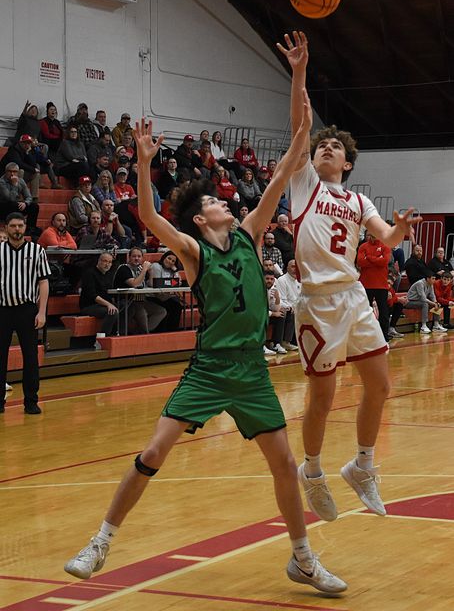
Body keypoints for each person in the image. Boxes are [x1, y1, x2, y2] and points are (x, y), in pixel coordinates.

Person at [64, 112, 347, 596]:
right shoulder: (196, 252)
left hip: (252, 371)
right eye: (216, 200)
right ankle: (100, 542)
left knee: (283, 465)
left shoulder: (251, 232)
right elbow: (150, 218)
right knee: (153, 451)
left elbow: (282, 173)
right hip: (210, 370)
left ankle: (303, 558)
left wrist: (300, 80)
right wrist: (144, 166)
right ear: (201, 218)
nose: (225, 201)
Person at [278, 29, 420, 523]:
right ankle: (312, 471)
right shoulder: (304, 185)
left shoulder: (358, 201)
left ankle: (362, 465)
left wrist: (399, 227)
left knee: (379, 386)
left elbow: (390, 236)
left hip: (355, 298)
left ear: (349, 162)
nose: (327, 148)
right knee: (323, 395)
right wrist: (299, 71)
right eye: (323, 145)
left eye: (336, 147)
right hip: (317, 302)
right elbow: (301, 123)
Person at [0, 212, 51, 414]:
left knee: (30, 357)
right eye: (13, 226)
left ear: (25, 226)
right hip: (2, 309)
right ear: (6, 228)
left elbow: (44, 282)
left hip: (27, 309)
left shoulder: (37, 250)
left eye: (20, 225)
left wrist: (42, 312)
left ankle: (31, 401)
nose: (17, 229)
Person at [113, 247, 166, 334]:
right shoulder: (123, 268)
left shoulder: (140, 268)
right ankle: (144, 332)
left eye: (139, 256)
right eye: (134, 256)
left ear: (142, 258)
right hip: (127, 301)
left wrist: (151, 271)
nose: (136, 258)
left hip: (141, 300)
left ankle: (140, 331)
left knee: (161, 311)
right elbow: (135, 284)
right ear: (129, 257)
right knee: (142, 312)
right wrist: (144, 270)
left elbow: (152, 285)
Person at [357, 233, 392, 341]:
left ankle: (384, 337)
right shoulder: (363, 246)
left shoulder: (386, 245)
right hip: (365, 284)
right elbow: (360, 262)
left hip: (381, 285)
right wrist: (377, 259)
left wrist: (369, 258)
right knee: (364, 312)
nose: (372, 236)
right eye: (370, 234)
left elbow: (385, 261)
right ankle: (365, 336)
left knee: (384, 313)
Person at [79, 251, 119, 337]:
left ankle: (118, 334)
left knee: (126, 306)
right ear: (99, 261)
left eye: (109, 262)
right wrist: (109, 304)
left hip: (103, 305)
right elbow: (93, 295)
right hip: (89, 306)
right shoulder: (89, 273)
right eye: (105, 261)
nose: (107, 264)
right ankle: (102, 338)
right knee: (112, 312)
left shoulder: (109, 275)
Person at [0, 162, 40, 235]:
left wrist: (25, 203)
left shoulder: (21, 181)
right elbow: (10, 198)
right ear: (6, 172)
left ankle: (30, 229)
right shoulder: (1, 182)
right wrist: (14, 185)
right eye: (10, 171)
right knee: (13, 204)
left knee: (34, 206)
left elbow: (29, 196)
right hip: (3, 207)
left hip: (15, 205)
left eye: (14, 171)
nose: (12, 174)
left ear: (18, 173)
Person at [148, 250, 183, 331]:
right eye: (169, 258)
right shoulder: (156, 266)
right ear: (164, 257)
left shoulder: (171, 270)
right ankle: (162, 331)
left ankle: (172, 331)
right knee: (172, 306)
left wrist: (175, 271)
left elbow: (179, 282)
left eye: (173, 261)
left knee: (177, 305)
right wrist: (172, 283)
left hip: (164, 297)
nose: (170, 261)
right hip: (153, 297)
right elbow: (156, 283)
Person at [275, 259, 300, 350]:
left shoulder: (299, 280)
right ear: (287, 268)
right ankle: (286, 342)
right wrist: (290, 307)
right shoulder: (282, 280)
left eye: (296, 267)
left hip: (297, 308)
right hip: (286, 307)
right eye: (293, 267)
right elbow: (281, 299)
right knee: (290, 311)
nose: (295, 269)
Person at [264, 270, 286, 355]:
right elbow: (259, 310)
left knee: (281, 315)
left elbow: (276, 309)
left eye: (272, 279)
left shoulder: (273, 289)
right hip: (257, 316)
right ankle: (261, 345)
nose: (269, 281)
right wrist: (272, 314)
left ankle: (276, 344)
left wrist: (277, 299)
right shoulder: (258, 289)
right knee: (262, 318)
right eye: (267, 279)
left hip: (267, 314)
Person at [386, 273, 406, 339]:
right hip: (379, 308)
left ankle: (392, 328)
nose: (389, 285)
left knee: (399, 305)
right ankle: (385, 330)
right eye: (388, 283)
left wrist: (397, 299)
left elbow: (393, 299)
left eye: (391, 284)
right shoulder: (381, 288)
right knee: (388, 306)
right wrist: (396, 299)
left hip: (388, 306)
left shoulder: (391, 289)